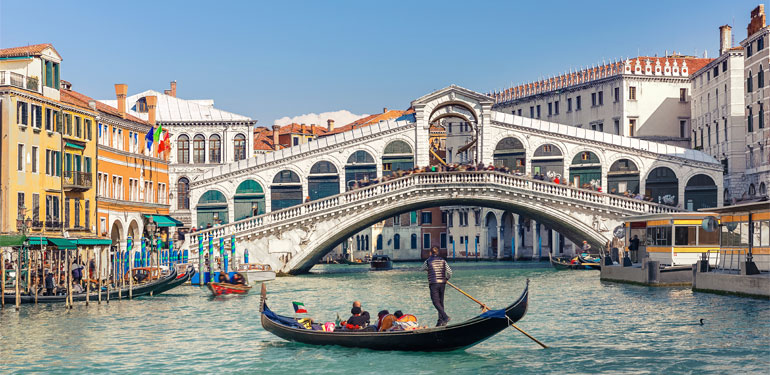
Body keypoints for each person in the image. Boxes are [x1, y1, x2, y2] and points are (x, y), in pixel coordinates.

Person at [421, 247, 452, 326]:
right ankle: (441, 321)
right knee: (441, 302)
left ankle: (445, 317)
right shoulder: (443, 261)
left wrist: (428, 269)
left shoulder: (427, 261)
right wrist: (446, 278)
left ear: (430, 253)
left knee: (435, 302)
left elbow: (422, 268)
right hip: (442, 283)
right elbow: (450, 272)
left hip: (434, 283)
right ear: (437, 253)